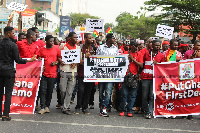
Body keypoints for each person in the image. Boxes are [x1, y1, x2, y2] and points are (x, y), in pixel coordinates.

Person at [0, 26, 36, 121]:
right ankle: (5, 115)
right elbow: (18, 60)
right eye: (13, 33)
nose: (14, 34)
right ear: (8, 33)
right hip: (9, 72)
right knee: (8, 93)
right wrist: (29, 60)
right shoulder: (13, 45)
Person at [141, 40, 165, 119]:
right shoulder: (146, 53)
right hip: (145, 77)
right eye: (156, 45)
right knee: (144, 96)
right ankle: (145, 110)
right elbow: (142, 64)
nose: (157, 47)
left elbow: (163, 67)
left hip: (155, 78)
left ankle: (149, 112)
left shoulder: (161, 55)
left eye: (158, 45)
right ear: (152, 46)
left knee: (152, 95)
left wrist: (158, 64)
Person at [38, 35, 61, 114]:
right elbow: (38, 59)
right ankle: (42, 106)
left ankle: (47, 106)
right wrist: (40, 63)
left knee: (50, 91)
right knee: (42, 90)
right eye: (50, 41)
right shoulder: (41, 50)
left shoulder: (56, 49)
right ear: (46, 41)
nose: (52, 43)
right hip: (43, 73)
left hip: (53, 73)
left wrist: (55, 62)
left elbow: (60, 59)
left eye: (52, 41)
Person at [96, 33, 119, 117]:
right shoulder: (101, 47)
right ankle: (102, 105)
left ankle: (105, 107)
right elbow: (97, 59)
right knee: (101, 91)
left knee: (108, 92)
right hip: (102, 73)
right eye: (113, 38)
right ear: (108, 39)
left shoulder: (115, 49)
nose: (114, 39)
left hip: (111, 74)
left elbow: (117, 60)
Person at [119, 40, 143, 117]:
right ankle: (122, 109)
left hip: (134, 77)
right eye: (135, 46)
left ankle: (129, 110)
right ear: (131, 46)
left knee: (132, 95)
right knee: (124, 94)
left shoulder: (139, 54)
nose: (137, 48)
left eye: (138, 46)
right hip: (125, 76)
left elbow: (141, 65)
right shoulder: (125, 54)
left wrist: (133, 60)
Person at [59, 32, 80, 115]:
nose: (76, 39)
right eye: (74, 37)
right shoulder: (62, 46)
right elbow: (58, 56)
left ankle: (66, 107)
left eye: (77, 38)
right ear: (70, 38)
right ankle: (63, 103)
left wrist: (75, 63)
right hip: (64, 70)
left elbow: (79, 59)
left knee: (70, 91)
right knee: (62, 90)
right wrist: (61, 61)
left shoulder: (78, 48)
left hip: (73, 71)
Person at [75, 33, 94, 115]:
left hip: (90, 73)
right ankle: (78, 106)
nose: (91, 39)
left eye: (92, 38)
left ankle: (85, 107)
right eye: (89, 38)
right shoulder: (80, 48)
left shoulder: (93, 48)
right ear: (85, 39)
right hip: (81, 73)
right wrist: (85, 57)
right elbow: (78, 60)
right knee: (81, 90)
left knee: (88, 91)